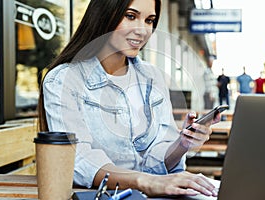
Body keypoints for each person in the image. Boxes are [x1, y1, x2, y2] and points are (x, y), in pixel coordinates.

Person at [37, 0, 219, 198]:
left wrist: (182, 144)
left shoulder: (153, 77)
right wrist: (146, 182)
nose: (142, 30)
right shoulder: (63, 80)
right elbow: (79, 160)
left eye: (149, 20)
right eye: (131, 16)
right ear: (104, 15)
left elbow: (155, 160)